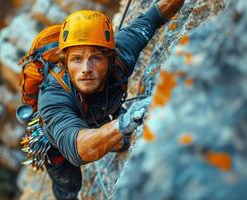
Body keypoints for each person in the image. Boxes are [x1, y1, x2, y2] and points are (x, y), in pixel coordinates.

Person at [38, 0, 185, 199]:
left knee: (123, 143)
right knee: (70, 186)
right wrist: (124, 123)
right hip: (55, 141)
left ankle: (115, 136)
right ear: (65, 63)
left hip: (100, 112)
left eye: (96, 58)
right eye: (77, 59)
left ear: (110, 58)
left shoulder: (122, 55)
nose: (86, 69)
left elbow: (155, 15)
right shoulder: (53, 95)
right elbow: (76, 148)